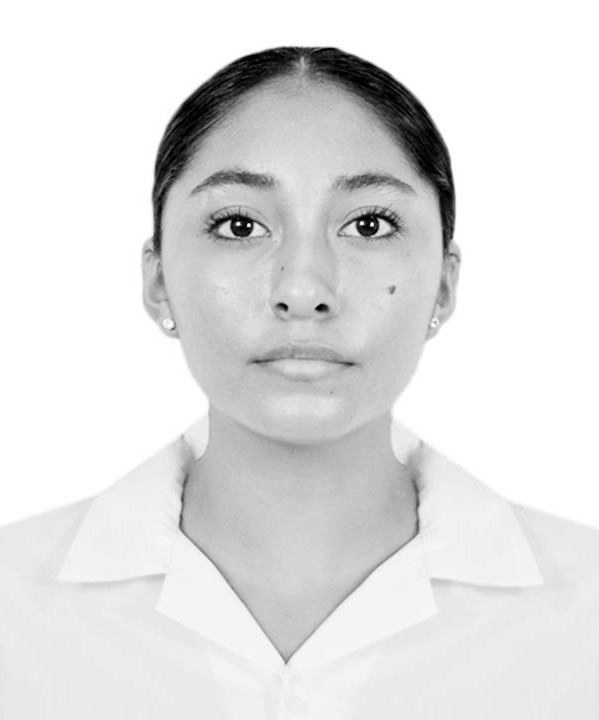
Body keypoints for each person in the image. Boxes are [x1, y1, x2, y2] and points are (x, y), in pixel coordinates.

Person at [1, 45, 598, 719]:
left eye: (368, 225)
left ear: (443, 283)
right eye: (240, 225)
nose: (304, 289)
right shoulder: (12, 614)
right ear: (158, 279)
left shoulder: (586, 621)